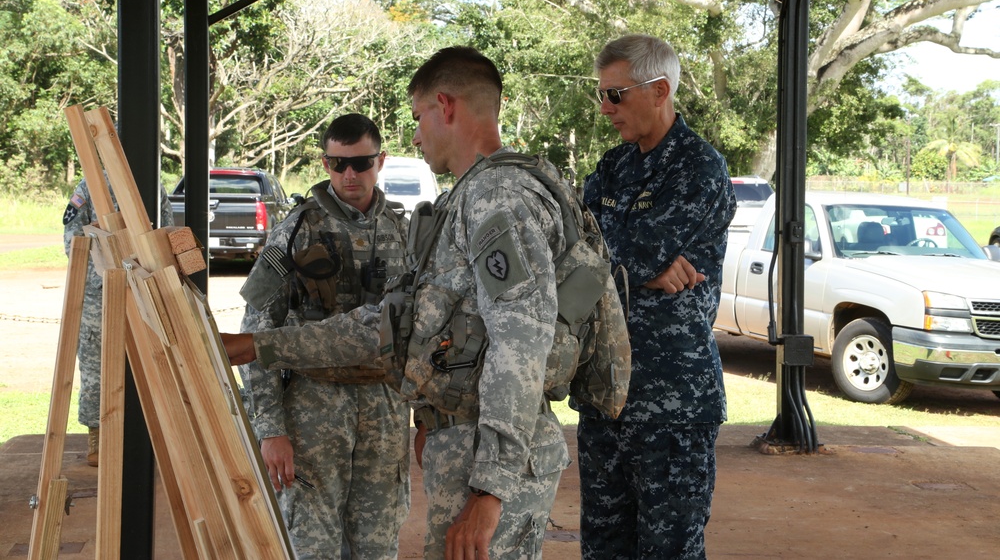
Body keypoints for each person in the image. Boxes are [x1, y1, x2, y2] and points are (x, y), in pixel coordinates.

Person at [223, 46, 570, 560]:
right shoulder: (450, 206)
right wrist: (263, 355)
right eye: (338, 164)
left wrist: (490, 488)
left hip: (455, 447)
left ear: (445, 106)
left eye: (417, 117)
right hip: (332, 413)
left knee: (378, 542)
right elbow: (390, 325)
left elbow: (520, 344)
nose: (415, 134)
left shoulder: (493, 201)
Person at [578, 34, 736, 559]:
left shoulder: (698, 167)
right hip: (607, 393)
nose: (605, 108)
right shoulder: (612, 167)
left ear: (660, 89)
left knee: (669, 550)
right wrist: (633, 265)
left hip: (673, 400)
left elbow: (640, 248)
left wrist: (620, 259)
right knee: (603, 547)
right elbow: (573, 243)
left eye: (615, 95)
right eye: (600, 95)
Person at [237, 113, 411, 559]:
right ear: (325, 163)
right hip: (314, 409)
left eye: (361, 163)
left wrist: (426, 413)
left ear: (381, 161)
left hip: (384, 410)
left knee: (378, 544)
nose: (349, 174)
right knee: (312, 545)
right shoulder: (295, 230)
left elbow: (422, 332)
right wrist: (271, 429)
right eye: (337, 164)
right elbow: (256, 332)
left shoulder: (404, 231)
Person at [62, 175, 174, 467]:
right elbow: (72, 241)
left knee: (152, 360)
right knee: (96, 366)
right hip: (98, 296)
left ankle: (152, 435)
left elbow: (164, 233)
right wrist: (105, 270)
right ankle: (97, 434)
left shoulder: (151, 186)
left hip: (142, 288)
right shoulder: (89, 186)